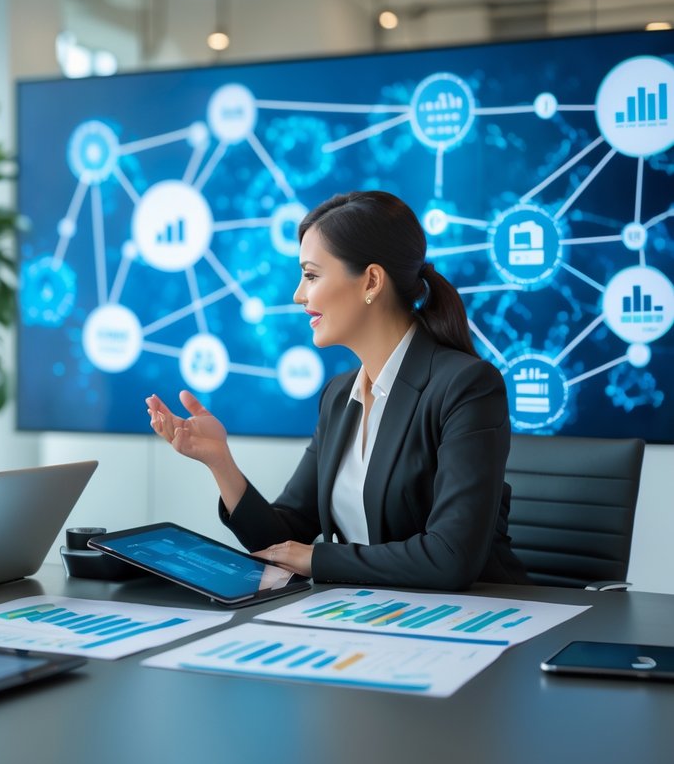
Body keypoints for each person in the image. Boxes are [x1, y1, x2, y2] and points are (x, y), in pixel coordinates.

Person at [146, 190, 529, 592]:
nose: (298, 295)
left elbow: (450, 557)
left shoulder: (466, 387)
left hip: (478, 619)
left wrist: (317, 559)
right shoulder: (338, 395)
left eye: (311, 275)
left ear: (371, 281)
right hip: (373, 618)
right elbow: (281, 539)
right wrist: (220, 463)